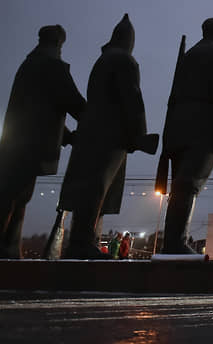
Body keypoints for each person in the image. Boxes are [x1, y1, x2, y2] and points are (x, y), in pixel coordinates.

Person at [59, 14, 157, 259]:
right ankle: (82, 243)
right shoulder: (125, 61)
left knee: (90, 186)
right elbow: (133, 100)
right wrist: (139, 135)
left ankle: (81, 240)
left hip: (92, 130)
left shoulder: (103, 59)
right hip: (111, 134)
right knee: (97, 186)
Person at [0, 25, 85, 259]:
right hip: (30, 144)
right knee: (12, 198)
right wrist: (98, 121)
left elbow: (40, 109)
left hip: (17, 141)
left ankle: (8, 250)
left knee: (16, 197)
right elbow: (72, 102)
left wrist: (67, 137)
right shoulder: (51, 66)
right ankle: (5, 249)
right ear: (58, 42)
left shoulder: (30, 65)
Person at [161, 18, 213, 254]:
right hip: (204, 128)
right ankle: (175, 242)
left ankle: (173, 241)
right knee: (189, 185)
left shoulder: (188, 56)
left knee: (180, 186)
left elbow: (172, 98)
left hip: (177, 128)